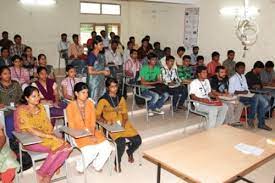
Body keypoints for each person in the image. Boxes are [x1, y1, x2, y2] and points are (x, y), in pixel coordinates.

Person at [14, 86, 72, 183]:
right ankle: (45, 172)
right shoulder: (21, 110)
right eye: (34, 96)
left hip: (46, 137)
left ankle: (46, 173)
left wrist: (52, 135)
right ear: (26, 98)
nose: (38, 98)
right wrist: (51, 136)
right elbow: (31, 130)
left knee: (68, 147)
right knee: (59, 147)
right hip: (30, 140)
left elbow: (47, 126)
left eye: (38, 95)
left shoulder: (40, 107)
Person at [96, 78, 142, 172]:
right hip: (109, 125)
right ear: (108, 88)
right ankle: (117, 163)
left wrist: (124, 122)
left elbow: (124, 113)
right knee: (120, 143)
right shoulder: (103, 100)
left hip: (123, 123)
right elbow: (97, 116)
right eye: (112, 87)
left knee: (138, 140)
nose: (115, 88)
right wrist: (105, 121)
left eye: (116, 86)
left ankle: (129, 151)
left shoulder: (121, 98)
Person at [66, 82, 112, 173]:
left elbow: (92, 122)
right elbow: (72, 126)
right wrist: (89, 136)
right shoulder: (70, 107)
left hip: (92, 130)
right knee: (91, 151)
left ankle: (96, 165)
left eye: (87, 92)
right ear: (76, 93)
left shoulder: (90, 103)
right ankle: (80, 167)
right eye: (83, 92)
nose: (86, 95)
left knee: (107, 147)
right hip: (77, 134)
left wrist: (92, 134)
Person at [229, 62, 272, 131]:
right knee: (257, 98)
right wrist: (242, 92)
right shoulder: (232, 78)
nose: (243, 69)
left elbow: (246, 87)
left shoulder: (243, 77)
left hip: (246, 95)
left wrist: (247, 92)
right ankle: (253, 120)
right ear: (236, 69)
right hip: (238, 96)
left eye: (244, 68)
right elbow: (231, 91)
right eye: (241, 68)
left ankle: (260, 123)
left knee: (264, 102)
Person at [0, 66, 22, 140]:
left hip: (17, 109)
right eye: (5, 74)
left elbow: (22, 96)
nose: (8, 75)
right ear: (0, 75)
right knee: (9, 120)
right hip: (4, 111)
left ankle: (23, 141)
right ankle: (12, 140)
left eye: (9, 73)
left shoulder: (15, 84)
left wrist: (19, 103)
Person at [87, 35, 110, 103]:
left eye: (102, 44)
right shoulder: (91, 56)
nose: (102, 46)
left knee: (101, 97)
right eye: (100, 44)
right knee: (93, 98)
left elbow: (105, 65)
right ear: (95, 45)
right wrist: (103, 72)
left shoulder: (101, 55)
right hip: (93, 81)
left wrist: (107, 70)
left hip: (101, 79)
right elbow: (90, 71)